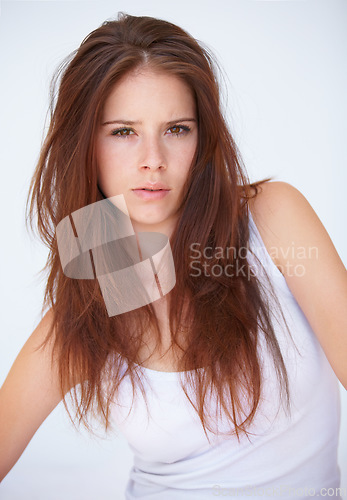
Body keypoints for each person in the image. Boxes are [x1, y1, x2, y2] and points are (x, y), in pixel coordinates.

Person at [0, 12, 346, 499]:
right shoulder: (100, 276)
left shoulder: (270, 218)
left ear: (202, 136)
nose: (153, 159)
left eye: (176, 129)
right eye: (123, 131)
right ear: (86, 144)